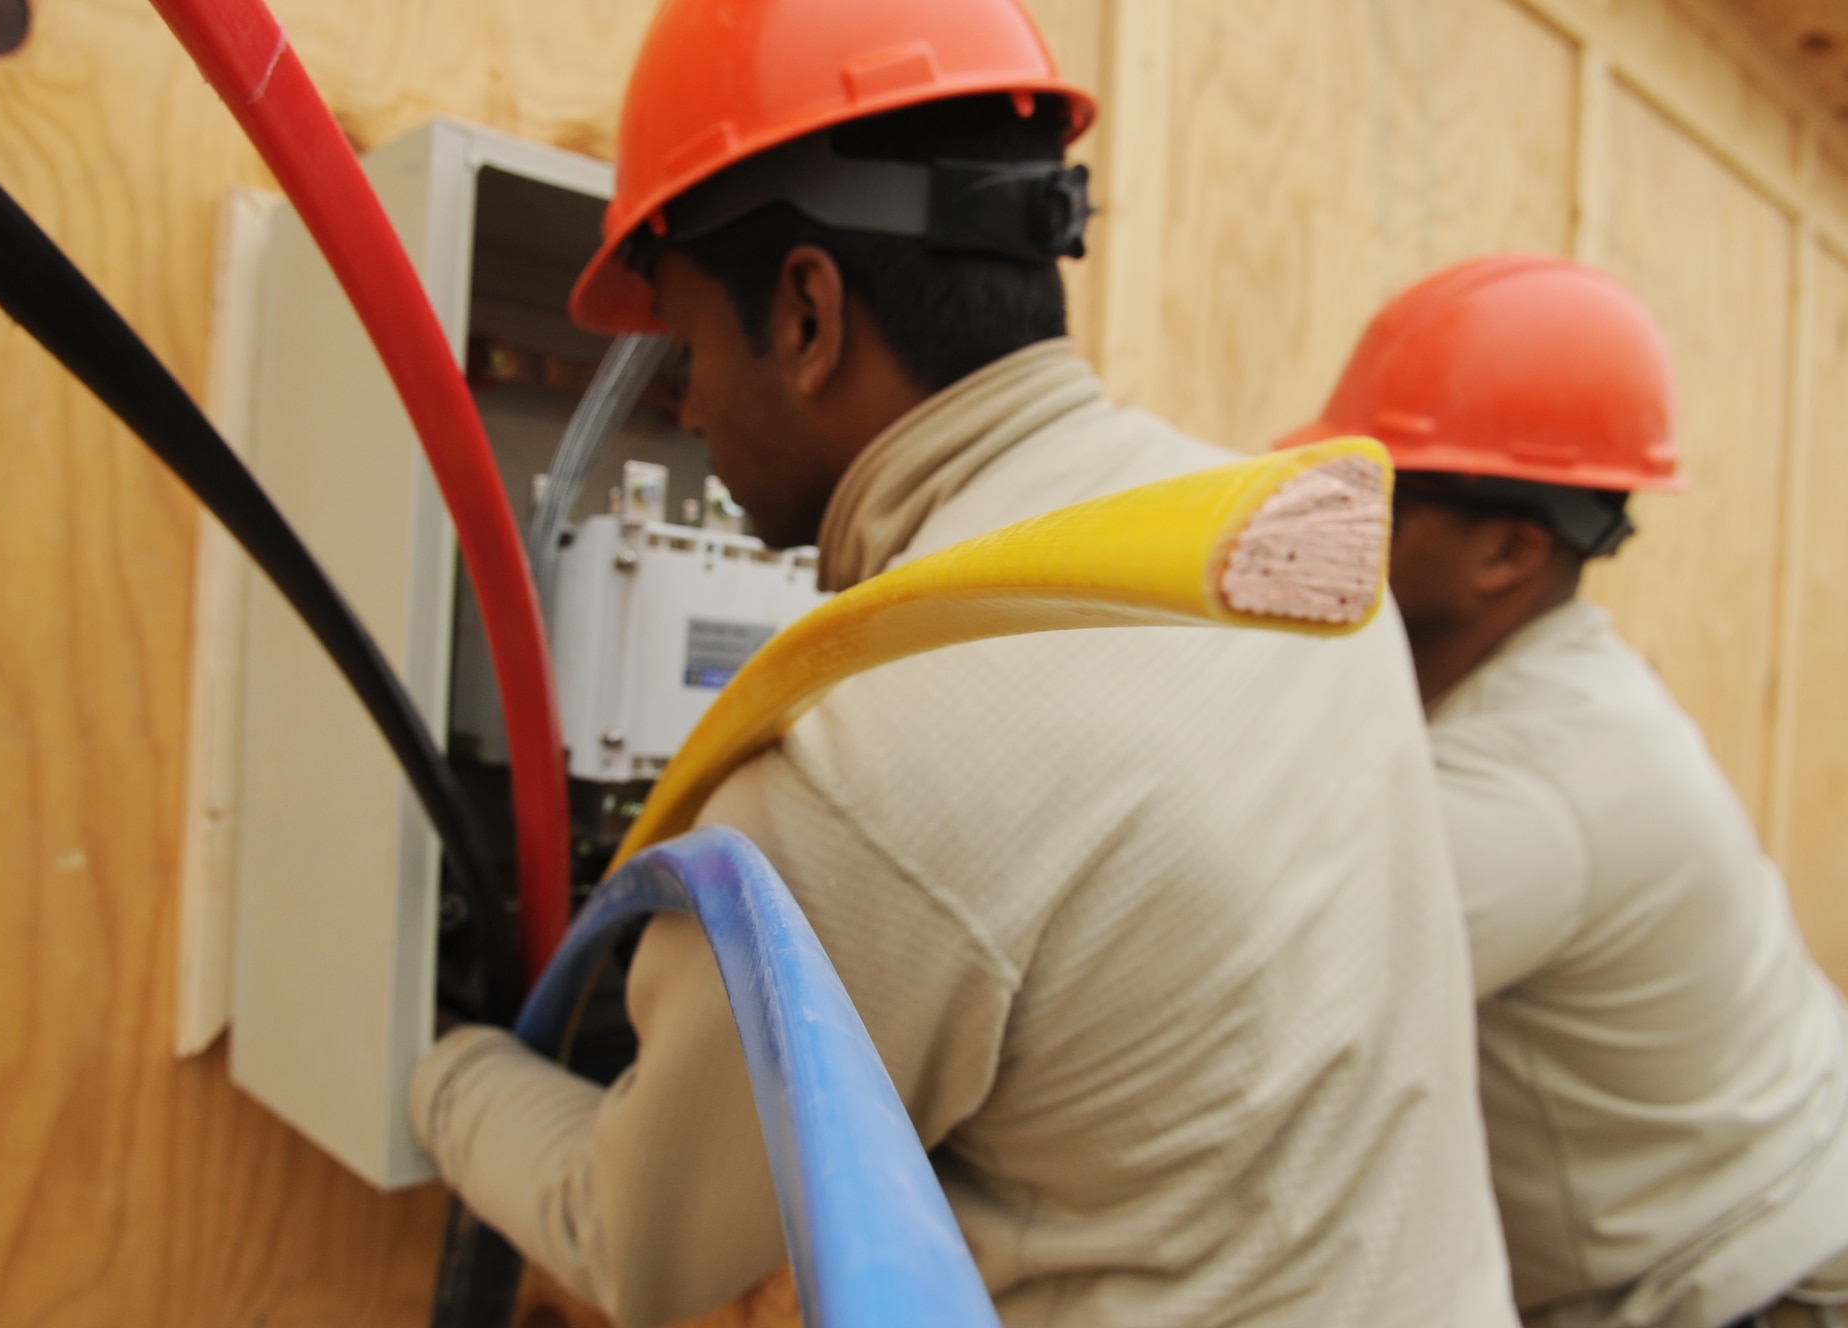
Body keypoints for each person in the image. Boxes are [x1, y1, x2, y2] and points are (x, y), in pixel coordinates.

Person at [410, 3, 1518, 1325]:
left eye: (688, 348)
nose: (689, 406)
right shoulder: (1274, 543)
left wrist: (442, 1069)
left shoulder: (862, 768)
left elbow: (642, 1244)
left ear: (809, 314)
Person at [1276, 253, 1848, 1328]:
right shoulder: (1534, 692)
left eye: (1370, 496)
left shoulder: (1530, 782)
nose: (1325, 519)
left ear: (1505, 549)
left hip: (1746, 1286)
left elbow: (1251, 1018)